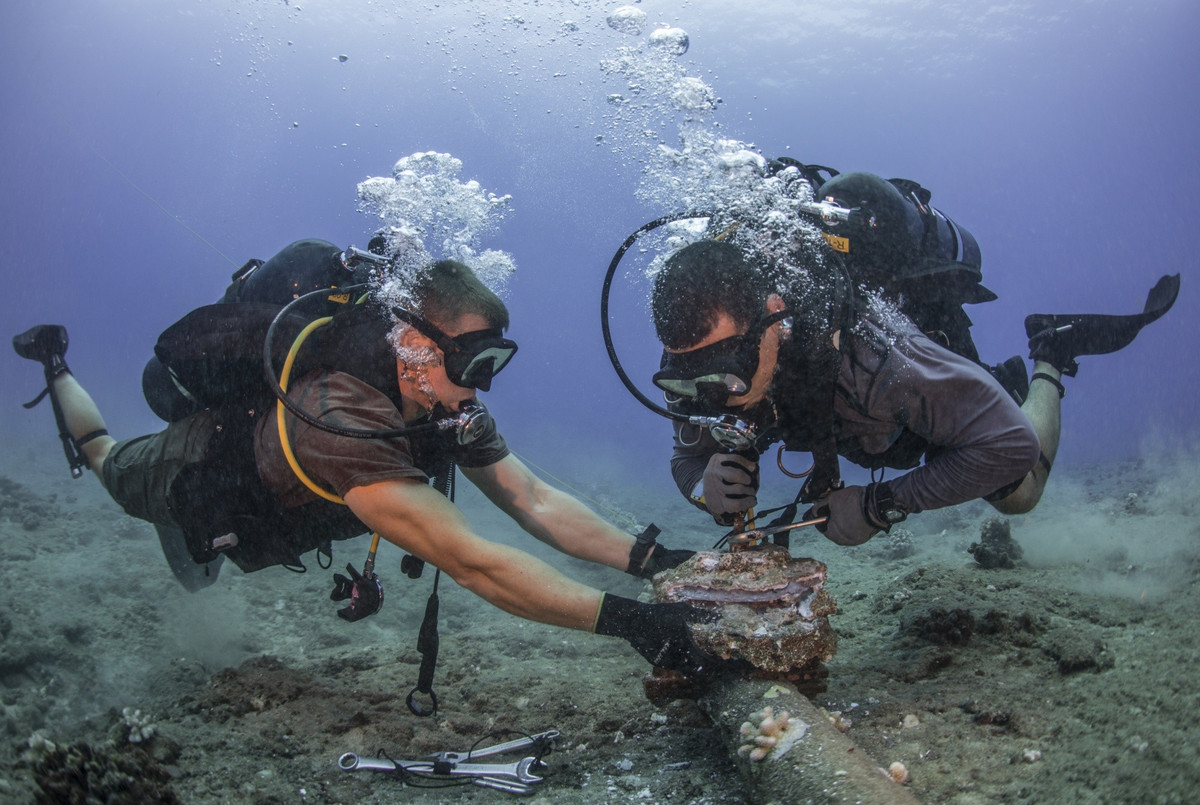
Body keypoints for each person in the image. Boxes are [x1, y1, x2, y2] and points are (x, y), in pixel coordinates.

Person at [12, 246, 711, 675]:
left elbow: (531, 498)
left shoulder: (440, 401)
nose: (481, 386)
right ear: (414, 343)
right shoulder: (340, 415)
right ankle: (54, 363)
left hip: (268, 520)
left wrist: (654, 560)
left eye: (494, 362)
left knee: (198, 567)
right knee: (105, 459)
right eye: (472, 362)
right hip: (191, 471)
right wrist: (637, 623)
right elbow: (470, 560)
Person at [645, 172, 1179, 546]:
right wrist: (702, 486)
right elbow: (686, 456)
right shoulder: (694, 361)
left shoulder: (877, 351)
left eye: (730, 371)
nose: (716, 396)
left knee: (1021, 496)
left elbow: (1010, 447)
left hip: (905, 390)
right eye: (691, 378)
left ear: (775, 318)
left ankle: (1051, 352)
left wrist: (880, 505)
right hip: (848, 414)